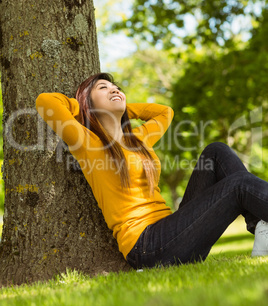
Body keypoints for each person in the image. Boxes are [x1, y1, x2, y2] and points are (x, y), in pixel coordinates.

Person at [36, 72, 268, 270]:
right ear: (89, 101)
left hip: (173, 232)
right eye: (103, 88)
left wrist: (125, 108)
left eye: (117, 88)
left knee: (216, 151)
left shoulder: (138, 139)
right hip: (147, 246)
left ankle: (261, 227)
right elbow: (45, 101)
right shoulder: (87, 142)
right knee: (238, 185)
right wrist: (83, 109)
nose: (114, 90)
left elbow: (165, 112)